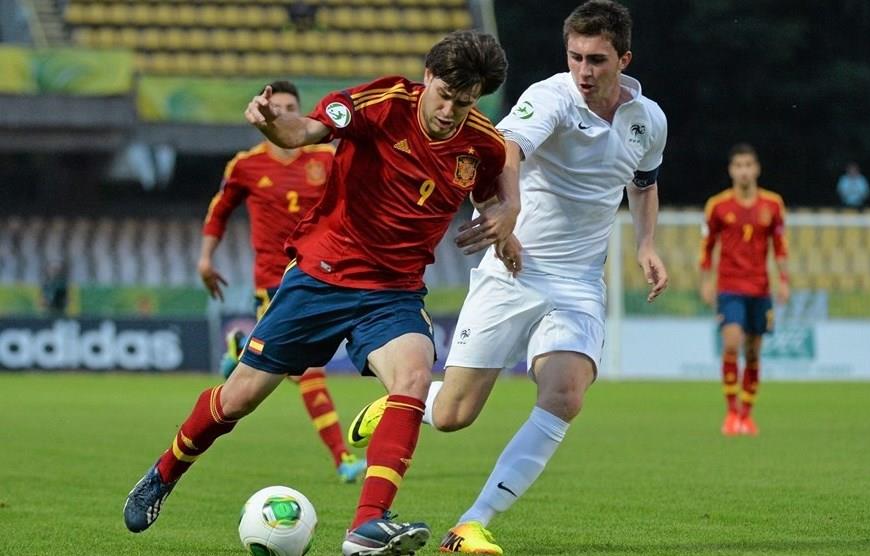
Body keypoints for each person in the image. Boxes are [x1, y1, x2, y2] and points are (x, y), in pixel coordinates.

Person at [123, 30, 513, 556]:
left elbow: (496, 186)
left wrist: (506, 221)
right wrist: (269, 123)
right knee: (238, 399)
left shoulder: (481, 143)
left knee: (416, 376)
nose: (449, 111)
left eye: (464, 102)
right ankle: (164, 472)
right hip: (322, 275)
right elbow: (303, 131)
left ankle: (367, 526)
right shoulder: (382, 103)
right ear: (427, 77)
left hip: (393, 292)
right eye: (444, 94)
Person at [348, 2, 668, 553]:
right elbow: (506, 150)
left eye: (597, 60)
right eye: (575, 57)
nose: (584, 71)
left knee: (566, 394)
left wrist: (645, 244)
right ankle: (408, 403)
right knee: (453, 416)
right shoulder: (551, 97)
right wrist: (506, 220)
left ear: (624, 59)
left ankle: (472, 523)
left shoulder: (649, 119)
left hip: (578, 282)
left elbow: (643, 181)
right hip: (512, 269)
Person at [197, 80, 365, 484]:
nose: (286, 112)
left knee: (295, 367)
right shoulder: (246, 165)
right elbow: (219, 211)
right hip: (273, 281)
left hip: (319, 274)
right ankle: (342, 457)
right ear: (266, 111)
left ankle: (241, 345)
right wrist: (205, 257)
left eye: (293, 107)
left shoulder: (325, 159)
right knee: (306, 372)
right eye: (279, 106)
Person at [699, 142, 790, 437]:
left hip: (761, 289)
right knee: (732, 344)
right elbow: (707, 246)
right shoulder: (718, 206)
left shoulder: (773, 205)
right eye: (738, 166)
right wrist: (707, 280)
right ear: (731, 170)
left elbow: (780, 247)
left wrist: (783, 281)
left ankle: (747, 415)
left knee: (753, 353)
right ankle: (731, 412)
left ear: (757, 169)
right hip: (730, 287)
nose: (744, 171)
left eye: (748, 165)